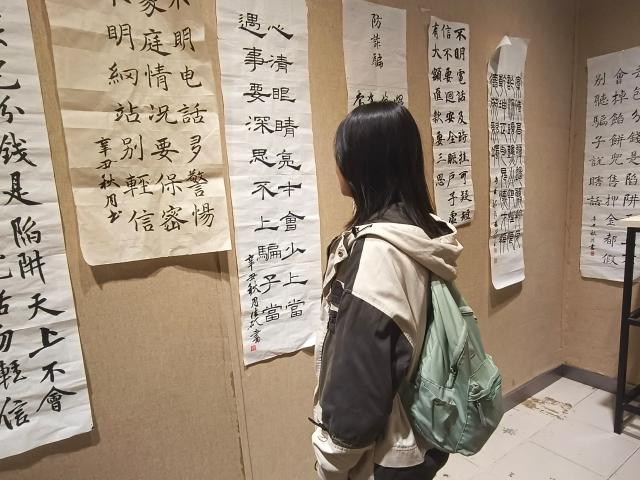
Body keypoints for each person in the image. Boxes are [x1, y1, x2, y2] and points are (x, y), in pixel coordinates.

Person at [311, 102, 463, 480]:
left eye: (340, 155)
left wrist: (331, 461)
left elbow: (358, 380)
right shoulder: (422, 232)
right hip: (423, 430)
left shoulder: (376, 255)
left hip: (386, 455)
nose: (336, 164)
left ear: (361, 165)